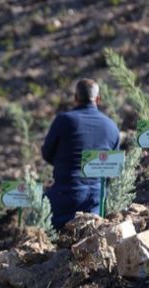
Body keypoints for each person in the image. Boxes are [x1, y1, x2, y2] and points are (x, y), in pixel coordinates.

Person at [41, 79, 120, 229]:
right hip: (97, 201)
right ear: (98, 99)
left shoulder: (64, 121)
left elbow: (47, 153)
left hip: (65, 196)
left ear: (75, 98)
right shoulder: (111, 126)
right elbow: (113, 168)